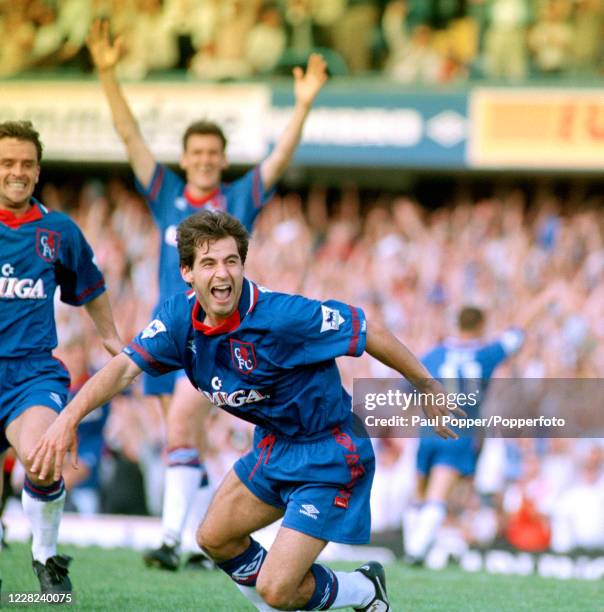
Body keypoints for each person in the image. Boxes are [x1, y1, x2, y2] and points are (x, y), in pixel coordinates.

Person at [29, 210, 461, 611]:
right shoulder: (180, 319)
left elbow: (369, 331)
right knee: (214, 537)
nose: (223, 273)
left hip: (330, 453)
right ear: (187, 272)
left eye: (232, 261)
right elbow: (124, 368)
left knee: (277, 590)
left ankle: (365, 589)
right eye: (209, 263)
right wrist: (67, 417)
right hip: (273, 448)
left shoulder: (282, 317)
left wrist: (426, 386)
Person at [86, 18, 328, 570]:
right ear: (186, 156)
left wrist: (304, 105)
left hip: (218, 334)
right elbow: (130, 137)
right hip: (168, 332)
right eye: (195, 152)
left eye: (212, 153)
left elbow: (281, 157)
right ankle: (199, 538)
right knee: (181, 440)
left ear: (221, 158)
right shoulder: (166, 192)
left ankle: (172, 541)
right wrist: (106, 74)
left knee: (180, 427)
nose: (203, 159)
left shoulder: (240, 197)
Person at [0, 120, 121, 592]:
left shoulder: (58, 231)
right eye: (7, 162)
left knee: (43, 457)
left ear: (37, 170)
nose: (17, 171)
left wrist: (111, 339)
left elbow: (90, 285)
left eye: (26, 163)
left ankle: (46, 558)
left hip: (31, 375)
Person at [403, 289, 558, 566]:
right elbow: (518, 331)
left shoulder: (434, 355)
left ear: (458, 324)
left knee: (421, 494)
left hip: (429, 431)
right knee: (439, 494)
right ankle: (415, 551)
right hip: (460, 434)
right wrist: (544, 299)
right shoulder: (485, 355)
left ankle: (414, 546)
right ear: (480, 326)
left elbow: (408, 389)